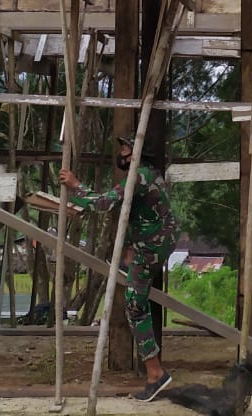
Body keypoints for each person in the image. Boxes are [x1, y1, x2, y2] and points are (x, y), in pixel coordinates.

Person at [59, 137, 178, 401]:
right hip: (152, 242)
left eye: (125, 149)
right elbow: (134, 212)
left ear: (137, 154)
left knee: (135, 306)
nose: (121, 153)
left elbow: (105, 203)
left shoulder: (139, 176)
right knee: (134, 293)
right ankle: (155, 372)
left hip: (153, 245)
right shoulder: (144, 175)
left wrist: (76, 186)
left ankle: (156, 374)